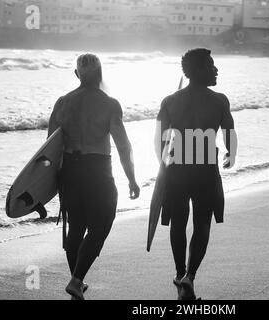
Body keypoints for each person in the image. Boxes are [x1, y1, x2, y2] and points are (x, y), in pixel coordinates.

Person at [48, 53, 140, 300]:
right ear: (100, 74)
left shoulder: (61, 103)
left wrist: (51, 185)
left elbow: (48, 149)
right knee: (102, 222)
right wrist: (131, 178)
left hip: (70, 171)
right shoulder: (110, 104)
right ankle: (77, 279)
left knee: (76, 225)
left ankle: (76, 280)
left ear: (76, 75)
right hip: (98, 169)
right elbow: (123, 145)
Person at [154, 48, 238, 300]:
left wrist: (162, 165)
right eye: (211, 65)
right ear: (198, 70)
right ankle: (190, 276)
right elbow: (229, 134)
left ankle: (180, 274)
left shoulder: (170, 101)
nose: (216, 69)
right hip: (205, 169)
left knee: (178, 223)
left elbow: (159, 139)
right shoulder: (219, 100)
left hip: (177, 168)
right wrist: (229, 155)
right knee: (202, 223)